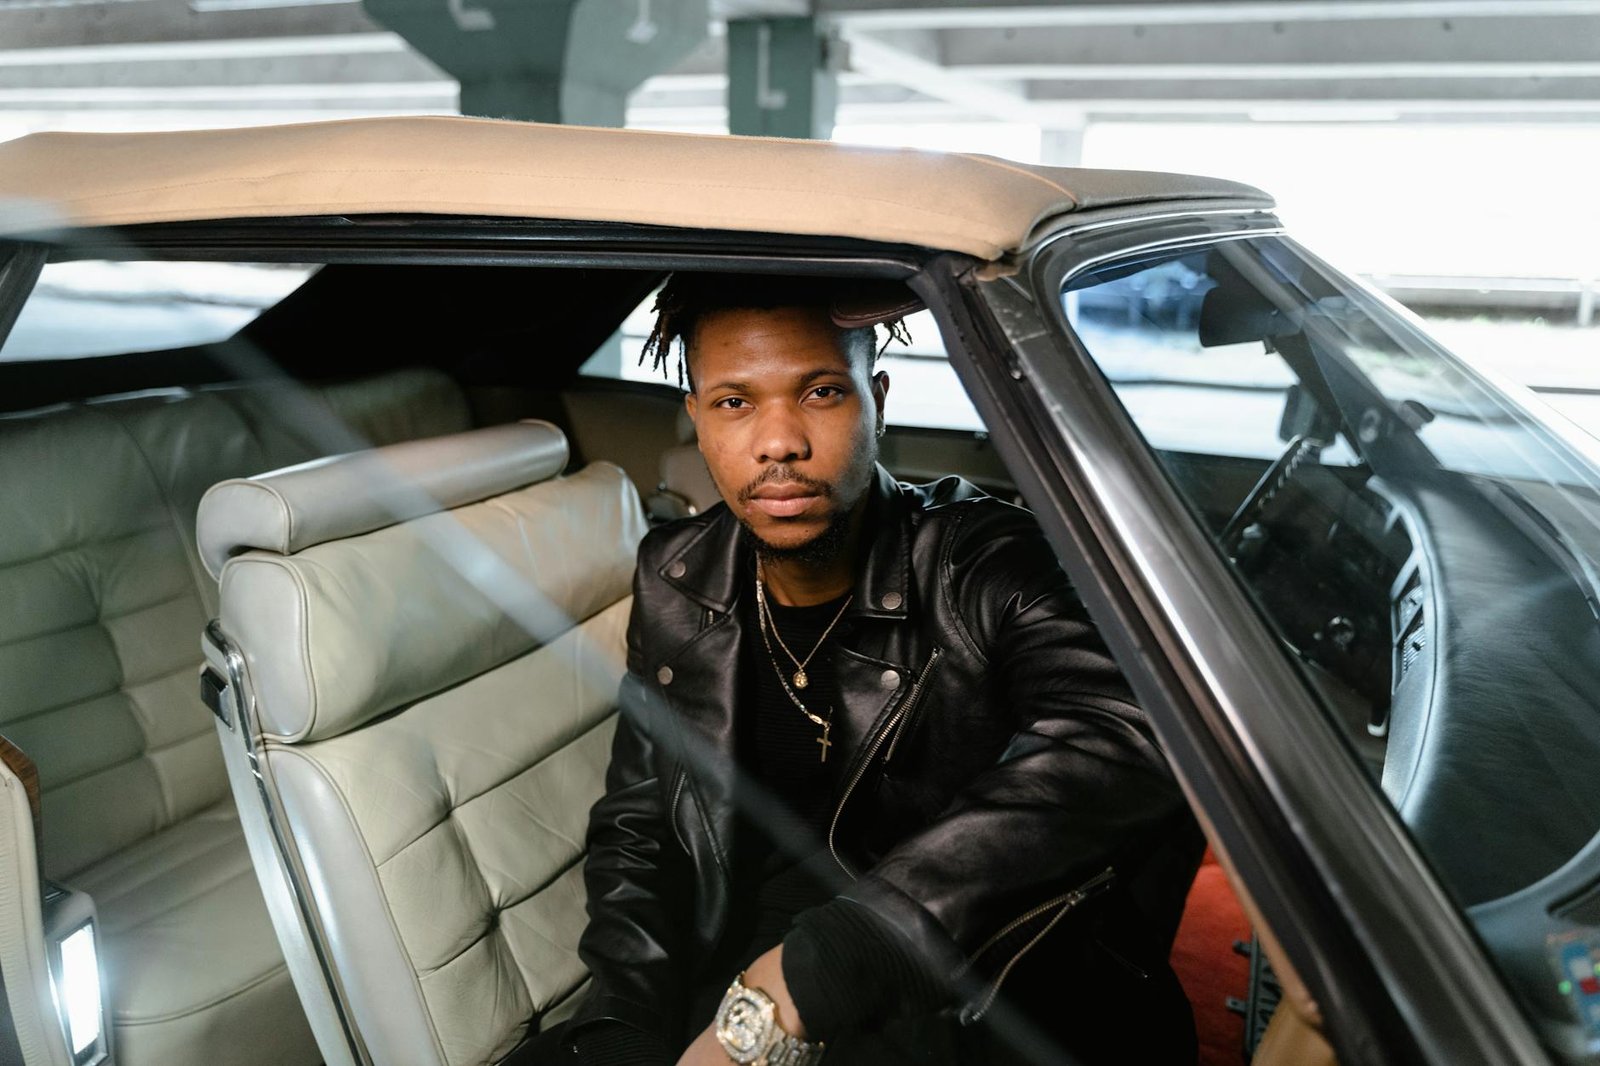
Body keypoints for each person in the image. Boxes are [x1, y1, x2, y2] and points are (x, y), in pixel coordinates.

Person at [551, 272, 1201, 1065]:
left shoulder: (983, 560)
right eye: (735, 402)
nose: (779, 442)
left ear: (878, 400)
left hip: (956, 983)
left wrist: (830, 964)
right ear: (697, 418)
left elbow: (1131, 727)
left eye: (822, 392)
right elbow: (640, 823)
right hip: (733, 967)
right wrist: (622, 1021)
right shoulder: (676, 575)